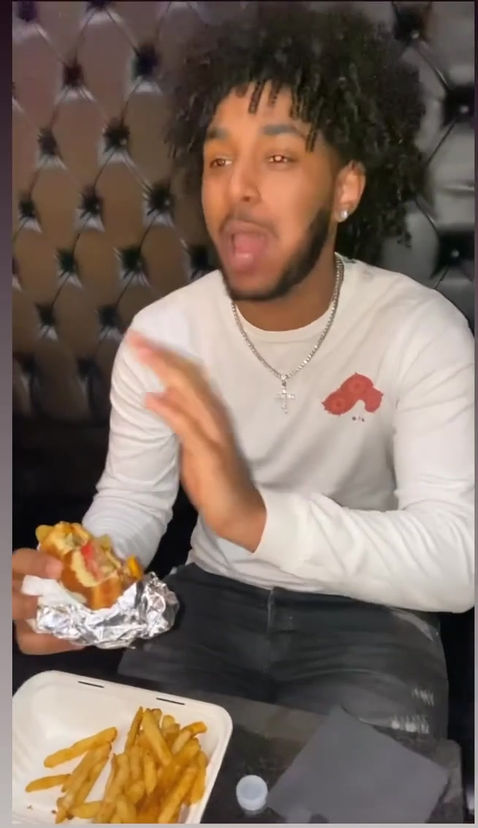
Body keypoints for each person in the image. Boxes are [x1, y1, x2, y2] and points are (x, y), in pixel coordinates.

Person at [13, 2, 473, 737]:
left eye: (279, 158)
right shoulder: (164, 338)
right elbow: (133, 502)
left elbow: (456, 561)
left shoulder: (423, 333)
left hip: (368, 614)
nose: (239, 187)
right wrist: (81, 583)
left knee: (359, 795)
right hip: (208, 605)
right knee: (140, 788)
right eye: (220, 161)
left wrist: (257, 520)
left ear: (346, 189)